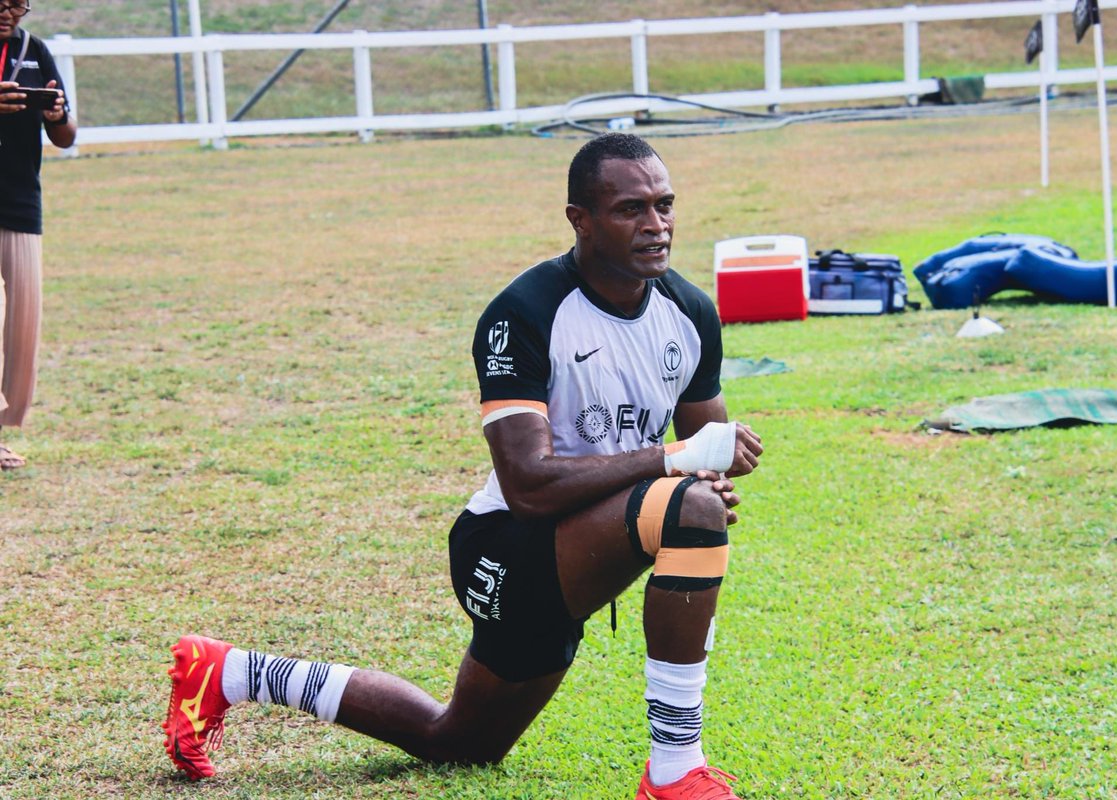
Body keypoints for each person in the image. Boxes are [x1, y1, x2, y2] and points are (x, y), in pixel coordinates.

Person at [163, 133, 764, 799]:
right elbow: (529, 485)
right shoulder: (526, 312)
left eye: (665, 205)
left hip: (584, 550)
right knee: (693, 507)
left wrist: (701, 475)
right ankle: (676, 774)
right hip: (508, 547)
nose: (657, 226)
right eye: (630, 209)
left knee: (456, 743)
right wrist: (680, 475)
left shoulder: (689, 313)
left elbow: (708, 458)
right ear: (580, 220)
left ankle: (230, 671)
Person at [0, 0, 76, 470]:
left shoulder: (35, 51)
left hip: (20, 202)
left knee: (23, 326)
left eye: (19, 4)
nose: (10, 12)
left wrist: (56, 116)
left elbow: (67, 136)